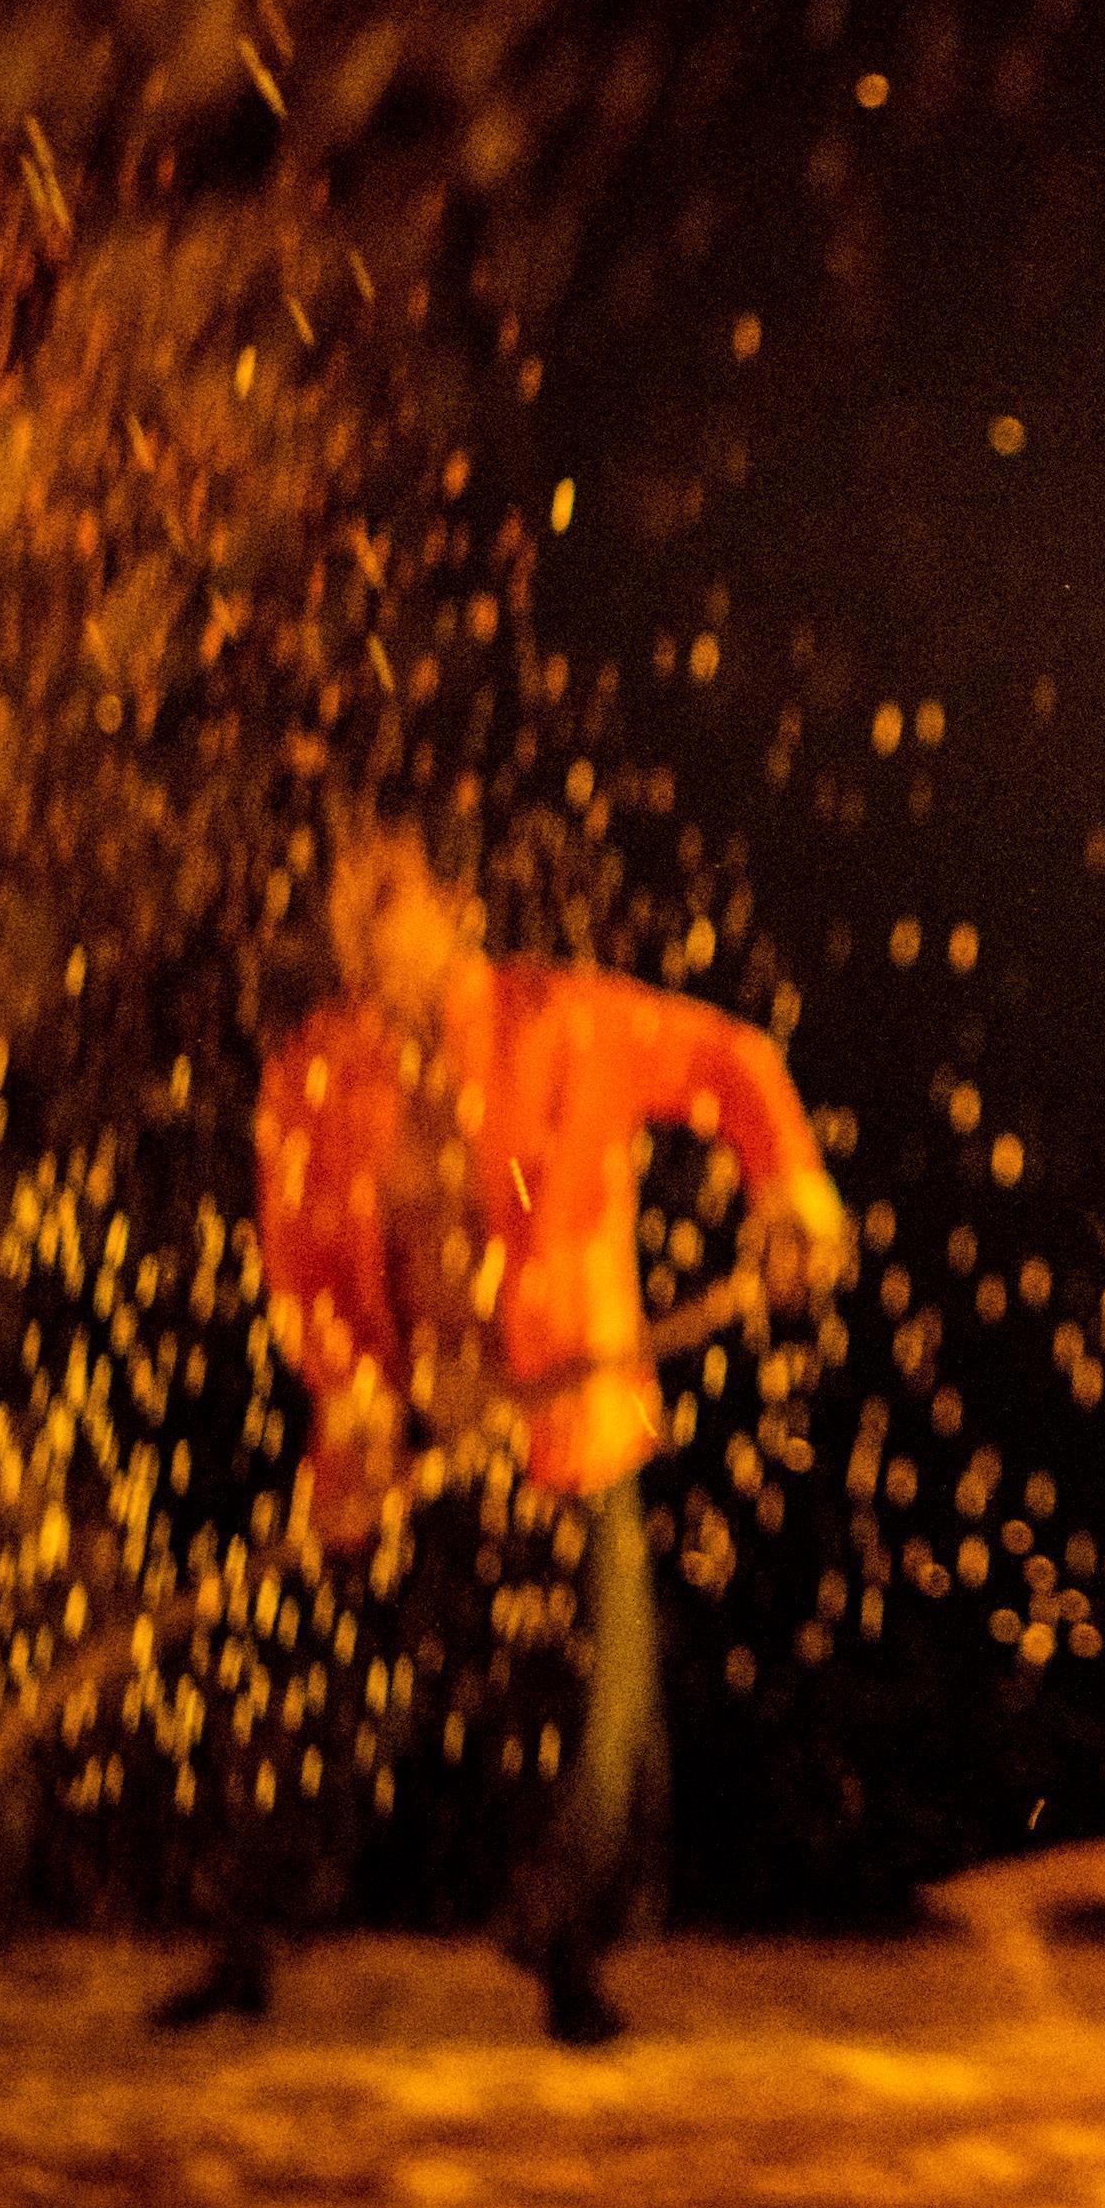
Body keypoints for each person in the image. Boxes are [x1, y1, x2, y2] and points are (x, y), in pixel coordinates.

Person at [152, 818, 849, 2047]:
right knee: (324, 1691)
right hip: (402, 1434)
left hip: (569, 1414)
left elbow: (730, 1060)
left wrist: (788, 1189)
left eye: (391, 905)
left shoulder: (563, 1021)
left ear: (451, 908)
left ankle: (569, 1954)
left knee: (605, 1698)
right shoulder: (317, 1067)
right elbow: (302, 1262)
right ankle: (245, 1941)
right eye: (348, 914)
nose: (369, 936)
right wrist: (353, 1396)